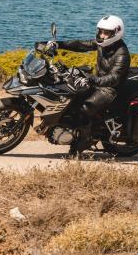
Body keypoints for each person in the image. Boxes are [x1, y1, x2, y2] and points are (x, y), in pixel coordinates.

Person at [36, 15, 131, 154]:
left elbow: (114, 78)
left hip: (109, 89)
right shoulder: (103, 44)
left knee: (84, 110)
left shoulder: (122, 53)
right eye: (101, 31)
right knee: (68, 96)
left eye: (106, 33)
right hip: (97, 81)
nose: (102, 35)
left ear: (116, 33)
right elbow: (82, 44)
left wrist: (93, 80)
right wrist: (59, 44)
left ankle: (84, 142)